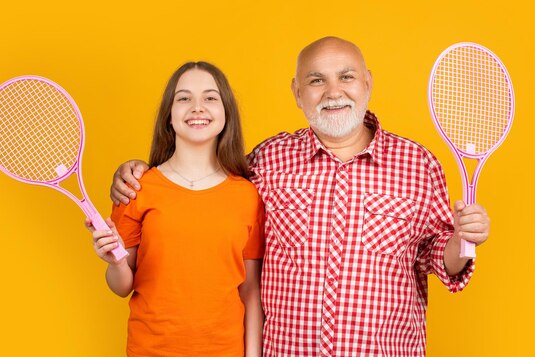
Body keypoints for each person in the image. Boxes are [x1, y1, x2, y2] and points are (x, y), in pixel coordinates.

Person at [110, 37, 490, 356]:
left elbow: (439, 260)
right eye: (316, 80)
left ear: (368, 83)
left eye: (346, 77)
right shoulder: (266, 160)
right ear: (297, 92)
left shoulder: (418, 164)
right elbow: (202, 183)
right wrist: (137, 171)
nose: (333, 91)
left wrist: (462, 240)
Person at [87, 61, 265, 357]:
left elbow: (250, 292)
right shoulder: (136, 188)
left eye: (210, 97)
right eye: (184, 98)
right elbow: (121, 287)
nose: (197, 107)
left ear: (226, 114)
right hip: (151, 349)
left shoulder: (247, 195)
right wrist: (115, 263)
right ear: (169, 116)